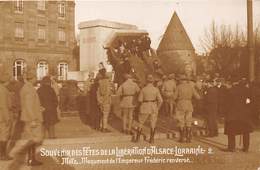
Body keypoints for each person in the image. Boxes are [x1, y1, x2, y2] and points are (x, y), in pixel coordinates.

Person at [20, 71, 44, 166]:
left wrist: (39, 107)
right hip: (32, 118)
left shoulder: (25, 88)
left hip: (28, 116)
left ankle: (31, 159)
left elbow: (29, 104)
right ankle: (31, 159)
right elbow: (29, 106)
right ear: (32, 78)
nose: (36, 79)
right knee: (33, 139)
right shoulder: (29, 89)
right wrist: (33, 119)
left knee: (32, 138)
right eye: (35, 77)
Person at [224, 77, 253, 152]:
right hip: (244, 114)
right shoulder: (247, 90)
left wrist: (225, 113)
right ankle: (246, 148)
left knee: (231, 131)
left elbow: (227, 103)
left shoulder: (230, 90)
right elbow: (250, 102)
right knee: (246, 131)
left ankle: (231, 147)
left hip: (232, 114)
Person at [135, 74, 163, 144]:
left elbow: (140, 100)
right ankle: (151, 139)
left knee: (141, 122)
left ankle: (137, 138)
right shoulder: (156, 89)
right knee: (153, 123)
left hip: (144, 106)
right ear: (152, 82)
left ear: (146, 81)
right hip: (153, 107)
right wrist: (158, 108)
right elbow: (161, 101)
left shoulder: (143, 89)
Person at [174, 74, 200, 143]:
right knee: (188, 121)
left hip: (180, 104)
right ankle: (188, 138)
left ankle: (182, 138)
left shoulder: (178, 87)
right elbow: (198, 97)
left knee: (181, 121)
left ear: (181, 80)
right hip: (189, 105)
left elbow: (174, 97)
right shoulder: (191, 87)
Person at [0, 74, 12, 160]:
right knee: (4, 135)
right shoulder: (3, 90)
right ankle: (3, 155)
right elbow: (4, 105)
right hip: (3, 116)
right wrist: (7, 118)